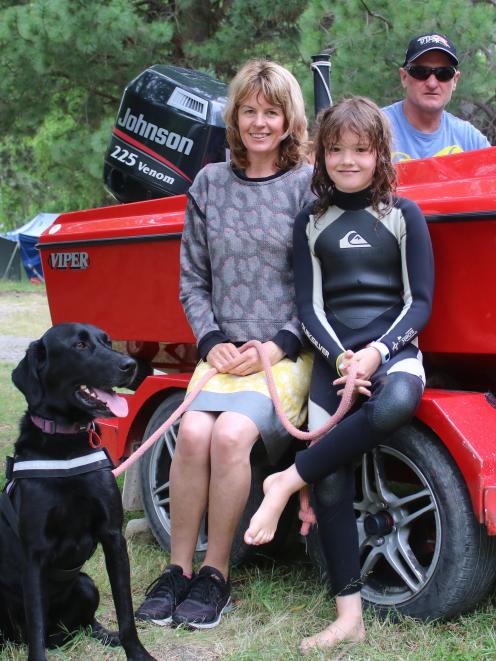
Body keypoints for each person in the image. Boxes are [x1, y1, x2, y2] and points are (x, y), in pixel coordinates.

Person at [244, 96, 434, 654]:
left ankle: (284, 480)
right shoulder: (312, 221)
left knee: (396, 402)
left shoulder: (403, 214)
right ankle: (347, 614)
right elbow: (308, 308)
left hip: (392, 352)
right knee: (330, 479)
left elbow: (418, 302)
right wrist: (341, 359)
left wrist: (375, 354)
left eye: (360, 149)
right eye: (335, 149)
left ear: (380, 152)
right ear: (321, 154)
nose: (348, 160)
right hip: (334, 356)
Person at [135, 59, 315, 629]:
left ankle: (216, 574)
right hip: (221, 352)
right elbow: (193, 277)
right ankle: (177, 571)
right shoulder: (209, 183)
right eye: (249, 110)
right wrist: (211, 340)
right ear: (234, 117)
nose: (260, 122)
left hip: (283, 352)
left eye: (272, 111)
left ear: (289, 120)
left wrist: (278, 342)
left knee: (232, 434)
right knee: (191, 433)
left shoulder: (307, 185)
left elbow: (318, 281)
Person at [383, 32, 490, 162]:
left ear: (455, 80)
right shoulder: (375, 128)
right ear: (404, 77)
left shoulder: (470, 141)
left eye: (444, 73)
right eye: (420, 72)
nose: (432, 84)